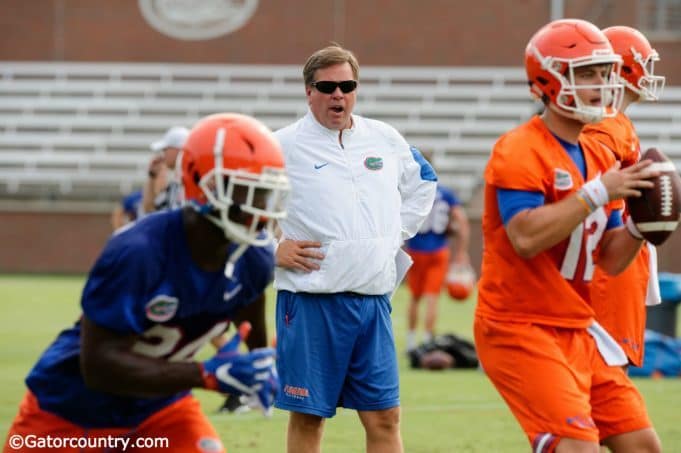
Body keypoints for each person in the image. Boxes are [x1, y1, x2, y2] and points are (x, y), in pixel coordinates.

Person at [3, 113, 290, 453]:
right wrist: (207, 373)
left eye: (266, 194)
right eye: (250, 191)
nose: (260, 208)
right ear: (204, 185)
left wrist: (260, 364)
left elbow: (248, 311)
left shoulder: (252, 257)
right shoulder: (138, 252)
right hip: (70, 410)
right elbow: (97, 365)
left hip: (159, 405)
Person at [474, 19, 662, 452]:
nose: (601, 84)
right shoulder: (519, 148)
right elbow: (524, 237)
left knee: (644, 447)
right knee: (579, 448)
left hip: (580, 327)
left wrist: (640, 225)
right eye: (586, 73)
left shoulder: (599, 152)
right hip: (520, 325)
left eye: (603, 72)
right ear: (548, 79)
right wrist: (597, 193)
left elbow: (611, 259)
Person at [273, 44, 437, 453]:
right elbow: (240, 209)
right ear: (308, 91)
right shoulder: (281, 147)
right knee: (309, 417)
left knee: (385, 416)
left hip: (372, 302)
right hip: (310, 302)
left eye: (347, 85)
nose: (338, 95)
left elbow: (425, 181)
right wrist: (271, 249)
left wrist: (392, 235)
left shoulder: (383, 138)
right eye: (327, 86)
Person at [583, 25, 665, 368]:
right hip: (609, 266)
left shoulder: (618, 124)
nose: (650, 72)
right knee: (607, 376)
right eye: (645, 63)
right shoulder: (607, 127)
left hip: (618, 260)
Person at [404, 148, 471, 352]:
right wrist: (461, 251)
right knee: (432, 297)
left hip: (415, 249)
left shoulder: (410, 192)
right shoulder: (445, 194)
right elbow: (462, 220)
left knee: (415, 297)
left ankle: (411, 342)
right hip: (438, 250)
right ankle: (427, 340)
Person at [142, 125, 189, 214]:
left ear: (178, 149)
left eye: (165, 149)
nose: (163, 154)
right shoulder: (175, 184)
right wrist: (152, 176)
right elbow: (150, 209)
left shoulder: (195, 179)